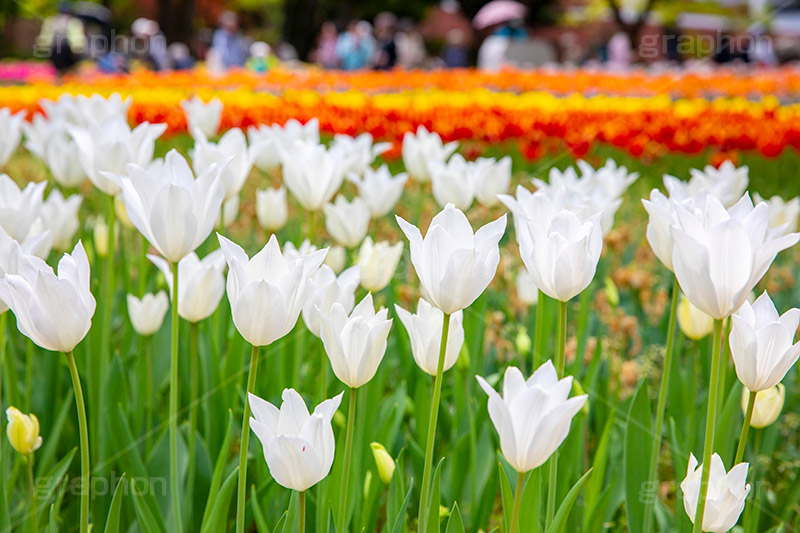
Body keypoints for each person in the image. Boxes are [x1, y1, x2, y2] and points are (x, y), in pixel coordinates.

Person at [37, 1, 86, 76]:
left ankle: (60, 85)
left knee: (58, 71)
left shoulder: (51, 21)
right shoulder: (73, 21)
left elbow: (46, 36)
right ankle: (70, 85)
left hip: (54, 48)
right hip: (67, 49)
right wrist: (77, 48)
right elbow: (76, 37)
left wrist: (44, 47)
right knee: (71, 70)